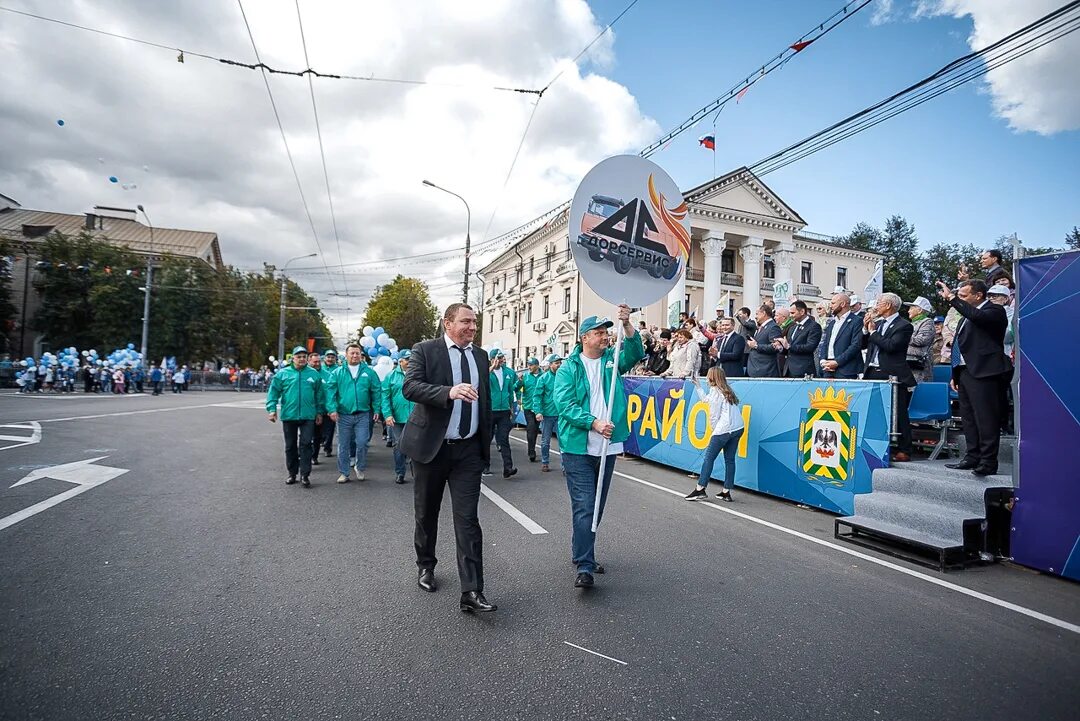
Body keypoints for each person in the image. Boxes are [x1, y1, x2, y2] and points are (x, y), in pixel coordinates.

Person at [399, 302, 496, 613]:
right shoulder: (425, 350)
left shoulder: (480, 356)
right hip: (432, 447)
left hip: (467, 450)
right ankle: (426, 564)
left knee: (468, 520)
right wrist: (448, 392)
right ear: (447, 323)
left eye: (475, 323)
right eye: (466, 322)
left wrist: (486, 442)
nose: (472, 328)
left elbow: (486, 402)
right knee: (427, 513)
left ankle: (472, 590)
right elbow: (410, 387)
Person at [553, 306, 643, 588]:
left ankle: (583, 551)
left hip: (607, 446)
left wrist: (627, 324)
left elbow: (635, 352)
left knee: (596, 507)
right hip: (578, 446)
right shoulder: (569, 368)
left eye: (607, 332)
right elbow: (564, 405)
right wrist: (593, 423)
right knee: (585, 505)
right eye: (599, 333)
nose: (605, 337)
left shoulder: (612, 360)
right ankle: (585, 565)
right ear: (584, 338)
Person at [936, 279, 1011, 476]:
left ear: (978, 295)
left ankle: (988, 461)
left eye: (964, 295)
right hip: (965, 372)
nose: (960, 299)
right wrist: (955, 373)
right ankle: (972, 456)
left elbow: (977, 317)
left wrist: (952, 298)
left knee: (986, 418)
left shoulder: (994, 310)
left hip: (985, 371)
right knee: (968, 418)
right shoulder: (965, 317)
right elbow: (962, 344)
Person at [862, 293, 917, 462]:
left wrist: (872, 333)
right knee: (875, 411)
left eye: (879, 303)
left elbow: (891, 346)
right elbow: (864, 345)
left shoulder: (904, 325)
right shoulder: (877, 324)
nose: (876, 306)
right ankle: (878, 446)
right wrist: (866, 330)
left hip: (892, 373)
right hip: (872, 371)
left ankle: (904, 449)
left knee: (898, 411)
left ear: (888, 305)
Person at [266, 346, 325, 487]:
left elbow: (319, 396)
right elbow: (273, 392)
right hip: (289, 415)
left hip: (308, 416)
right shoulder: (283, 374)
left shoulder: (314, 374)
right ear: (293, 358)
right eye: (299, 356)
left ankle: (305, 475)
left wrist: (319, 412)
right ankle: (292, 473)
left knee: (306, 444)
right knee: (290, 446)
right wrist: (272, 409)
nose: (302, 359)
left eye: (304, 356)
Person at [683, 366, 745, 502]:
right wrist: (698, 386)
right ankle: (726, 492)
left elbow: (713, 416)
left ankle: (700, 489)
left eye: (708, 375)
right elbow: (707, 400)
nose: (706, 378)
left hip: (724, 429)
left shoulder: (715, 392)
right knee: (730, 460)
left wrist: (715, 433)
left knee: (709, 458)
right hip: (738, 428)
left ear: (712, 377)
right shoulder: (726, 390)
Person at [325, 343, 382, 483]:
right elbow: (330, 392)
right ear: (346, 355)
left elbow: (376, 391)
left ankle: (359, 467)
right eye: (352, 353)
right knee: (343, 445)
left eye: (357, 353)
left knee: (362, 443)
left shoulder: (369, 372)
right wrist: (332, 409)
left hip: (363, 414)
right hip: (343, 415)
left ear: (361, 355)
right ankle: (344, 473)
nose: (355, 356)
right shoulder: (338, 372)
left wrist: (377, 409)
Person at [382, 349, 414, 484]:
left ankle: (417, 473)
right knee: (399, 445)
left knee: (416, 446)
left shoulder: (419, 375)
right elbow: (385, 397)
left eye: (411, 359)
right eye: (407, 359)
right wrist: (388, 414)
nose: (410, 362)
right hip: (398, 417)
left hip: (416, 417)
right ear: (400, 361)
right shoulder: (391, 376)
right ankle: (400, 472)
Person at [486, 349, 518, 479]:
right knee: (487, 439)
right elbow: (479, 380)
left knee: (504, 439)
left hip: (504, 410)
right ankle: (485, 465)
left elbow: (510, 391)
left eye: (502, 358)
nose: (501, 360)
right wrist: (491, 368)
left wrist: (511, 407)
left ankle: (508, 468)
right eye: (498, 358)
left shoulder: (508, 372)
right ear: (492, 359)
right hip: (490, 410)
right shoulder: (487, 372)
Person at [817, 292, 863, 379]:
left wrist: (837, 362)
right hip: (827, 368)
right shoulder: (832, 323)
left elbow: (855, 345)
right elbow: (825, 343)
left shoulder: (857, 321)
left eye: (833, 303)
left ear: (842, 304)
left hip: (845, 369)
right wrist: (823, 361)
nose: (830, 306)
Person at [534, 353, 563, 472]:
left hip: (562, 415)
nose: (559, 365)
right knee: (546, 441)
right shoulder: (543, 378)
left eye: (560, 363)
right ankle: (545, 462)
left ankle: (565, 466)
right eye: (556, 363)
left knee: (564, 442)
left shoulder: (564, 377)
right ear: (550, 365)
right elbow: (537, 396)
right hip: (547, 415)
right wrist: (538, 411)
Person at [780, 300, 822, 378]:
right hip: (788, 370)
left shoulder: (814, 326)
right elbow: (788, 348)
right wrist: (780, 347)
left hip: (803, 370)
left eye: (793, 313)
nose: (791, 316)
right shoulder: (792, 327)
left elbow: (810, 347)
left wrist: (789, 346)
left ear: (802, 311)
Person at [745, 305, 783, 378]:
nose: (755, 317)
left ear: (764, 313)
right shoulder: (761, 327)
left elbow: (776, 347)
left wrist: (756, 346)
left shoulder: (773, 327)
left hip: (765, 371)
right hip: (756, 370)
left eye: (757, 314)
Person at [905, 296, 937, 383]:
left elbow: (921, 340)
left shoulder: (927, 322)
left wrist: (902, 337)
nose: (908, 311)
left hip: (920, 366)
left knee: (918, 391)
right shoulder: (912, 323)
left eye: (911, 308)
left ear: (920, 310)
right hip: (909, 363)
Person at [520, 358, 542, 462]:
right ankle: (531, 451)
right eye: (528, 365)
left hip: (539, 408)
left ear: (537, 365)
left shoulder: (543, 376)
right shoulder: (526, 376)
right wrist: (519, 382)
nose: (529, 367)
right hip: (528, 406)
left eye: (531, 365)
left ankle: (532, 447)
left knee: (535, 430)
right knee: (531, 428)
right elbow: (516, 388)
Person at [319, 349, 339, 457]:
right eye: (328, 357)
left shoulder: (338, 370)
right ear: (325, 358)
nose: (330, 359)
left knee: (330, 427)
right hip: (320, 403)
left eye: (332, 357)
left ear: (335, 359)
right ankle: (321, 440)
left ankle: (328, 447)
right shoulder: (320, 370)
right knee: (319, 426)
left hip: (332, 403)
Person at [307, 353, 324, 465]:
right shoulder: (304, 374)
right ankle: (305, 455)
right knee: (306, 437)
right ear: (309, 361)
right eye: (315, 362)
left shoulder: (325, 374)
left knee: (317, 435)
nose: (317, 364)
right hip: (306, 411)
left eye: (319, 361)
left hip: (321, 410)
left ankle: (314, 456)